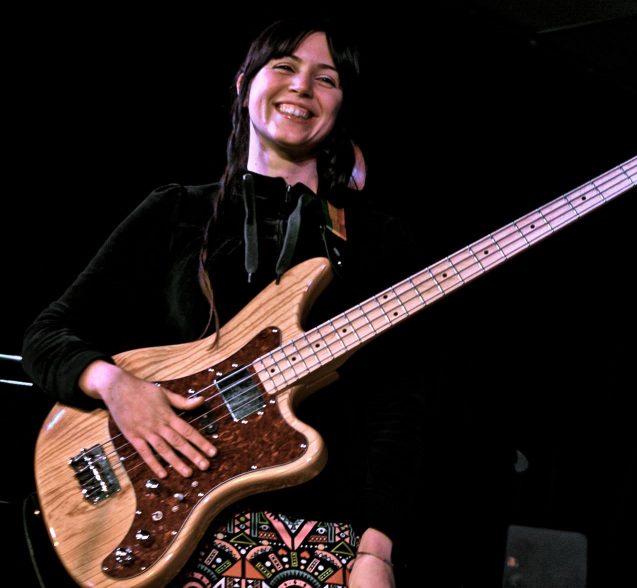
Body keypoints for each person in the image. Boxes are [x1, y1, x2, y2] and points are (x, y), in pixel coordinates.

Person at [22, 17, 429, 588]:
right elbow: (48, 334)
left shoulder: (379, 241)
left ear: (343, 104)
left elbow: (402, 406)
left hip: (318, 539)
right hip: (171, 542)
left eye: (327, 78)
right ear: (244, 84)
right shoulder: (175, 212)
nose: (301, 87)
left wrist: (378, 548)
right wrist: (117, 387)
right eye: (283, 66)